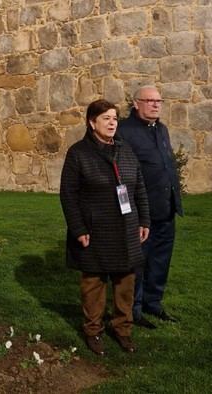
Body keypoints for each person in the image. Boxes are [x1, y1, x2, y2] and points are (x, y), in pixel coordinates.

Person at [60, 99, 150, 355]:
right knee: (94, 284)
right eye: (106, 119)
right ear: (92, 122)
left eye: (114, 118)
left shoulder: (126, 149)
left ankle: (122, 330)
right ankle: (93, 331)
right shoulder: (78, 153)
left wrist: (144, 220)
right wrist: (78, 229)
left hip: (126, 228)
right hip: (94, 229)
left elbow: (139, 187)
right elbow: (68, 194)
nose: (112, 123)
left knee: (125, 282)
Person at [117, 86, 183, 329]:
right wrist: (128, 212)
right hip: (140, 213)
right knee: (138, 262)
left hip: (166, 209)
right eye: (149, 101)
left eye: (159, 101)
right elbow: (120, 175)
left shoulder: (161, 129)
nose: (156, 105)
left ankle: (153, 302)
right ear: (136, 103)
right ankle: (133, 308)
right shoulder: (124, 131)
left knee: (160, 260)